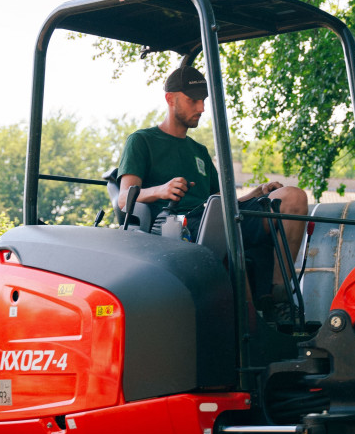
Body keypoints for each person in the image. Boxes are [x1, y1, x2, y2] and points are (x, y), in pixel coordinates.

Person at [117, 65, 308, 324]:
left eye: (203, 101)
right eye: (193, 100)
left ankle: (279, 298)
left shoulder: (199, 151)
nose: (201, 108)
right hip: (176, 227)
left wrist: (256, 193)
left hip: (214, 217)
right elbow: (124, 197)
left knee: (293, 198)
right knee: (224, 226)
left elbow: (223, 204)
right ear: (170, 99)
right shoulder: (141, 141)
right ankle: (250, 324)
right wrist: (161, 190)